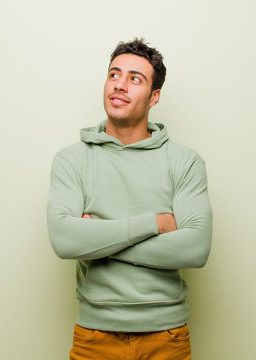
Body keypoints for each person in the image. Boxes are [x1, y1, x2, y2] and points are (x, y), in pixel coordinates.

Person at [47, 38, 212, 360]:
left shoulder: (184, 161)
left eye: (135, 79)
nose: (120, 85)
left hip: (167, 336)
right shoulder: (72, 159)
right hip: (94, 337)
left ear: (154, 97)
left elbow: (196, 248)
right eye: (114, 75)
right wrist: (154, 223)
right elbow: (65, 241)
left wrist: (97, 241)